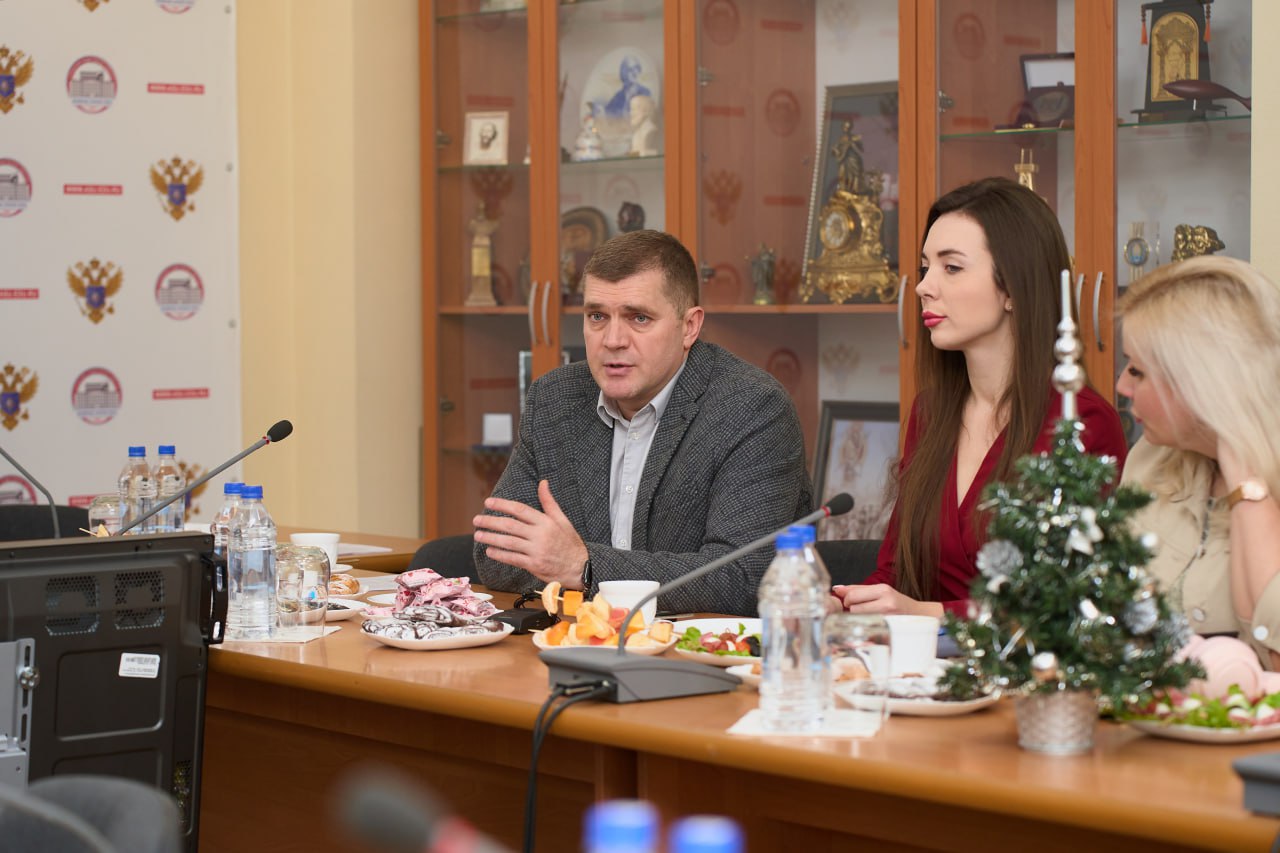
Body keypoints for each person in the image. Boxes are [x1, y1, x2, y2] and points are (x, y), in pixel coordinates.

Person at [473, 230, 811, 616]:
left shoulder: (751, 408)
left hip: (697, 648)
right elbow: (495, 552)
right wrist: (569, 565)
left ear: (689, 326)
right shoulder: (555, 400)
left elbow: (746, 579)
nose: (613, 340)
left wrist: (584, 567)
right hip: (576, 638)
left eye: (639, 318)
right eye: (597, 316)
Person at [834, 177, 1128, 617]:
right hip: (919, 658)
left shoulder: (1082, 422)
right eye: (925, 267)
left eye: (951, 268)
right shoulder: (930, 412)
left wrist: (928, 614)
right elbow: (895, 575)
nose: (923, 286)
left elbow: (1063, 606)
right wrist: (840, 603)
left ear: (1013, 288)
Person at [1116, 255, 1280, 668]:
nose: (1121, 386)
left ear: (1200, 381)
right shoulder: (1149, 459)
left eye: (1137, 371)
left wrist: (1243, 472)